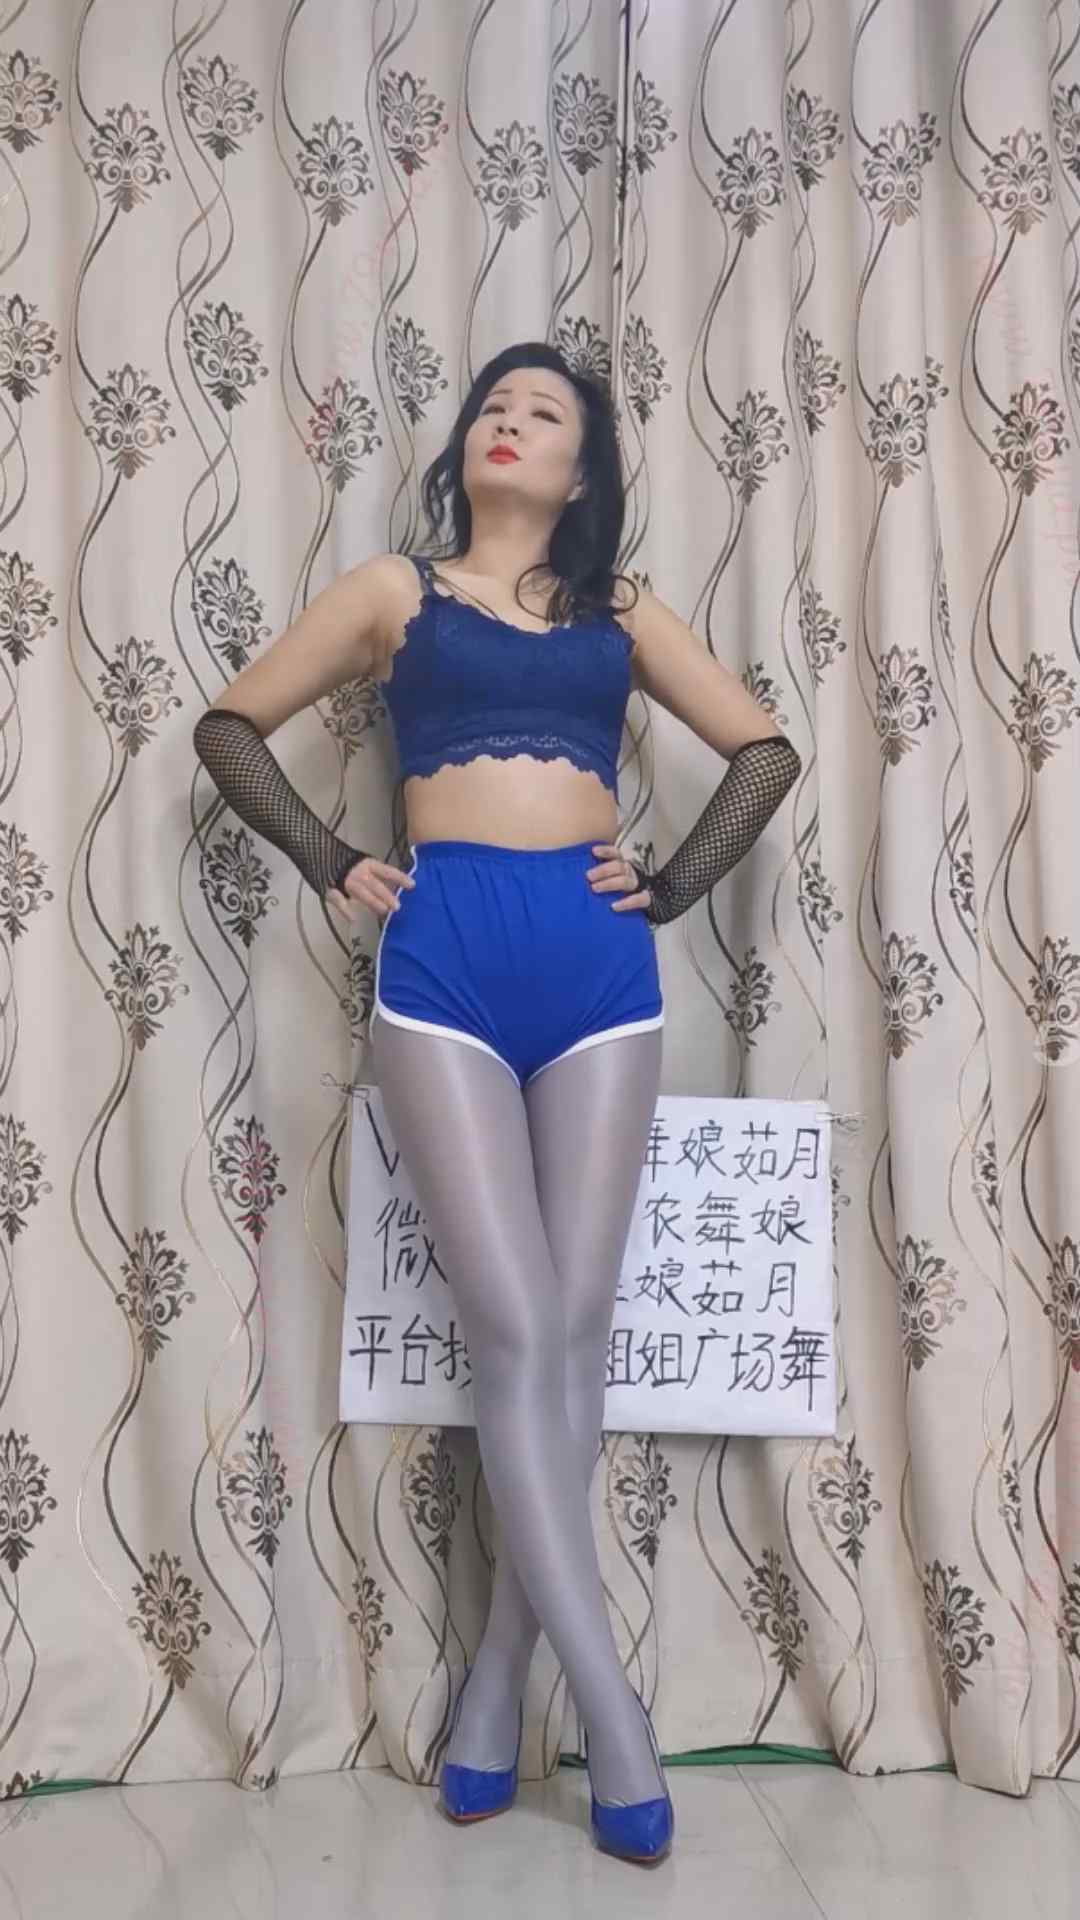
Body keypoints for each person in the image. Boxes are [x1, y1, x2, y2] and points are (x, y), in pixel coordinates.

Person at [192, 340, 801, 1866]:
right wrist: (332, 858)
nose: (509, 424)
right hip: (443, 964)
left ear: (583, 471)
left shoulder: (619, 610)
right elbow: (226, 727)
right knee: (522, 1327)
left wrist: (673, 883)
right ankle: (613, 1712)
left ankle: (493, 1691)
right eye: (493, 409)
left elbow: (764, 750)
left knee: (572, 1330)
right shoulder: (393, 593)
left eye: (544, 415)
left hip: (600, 973)